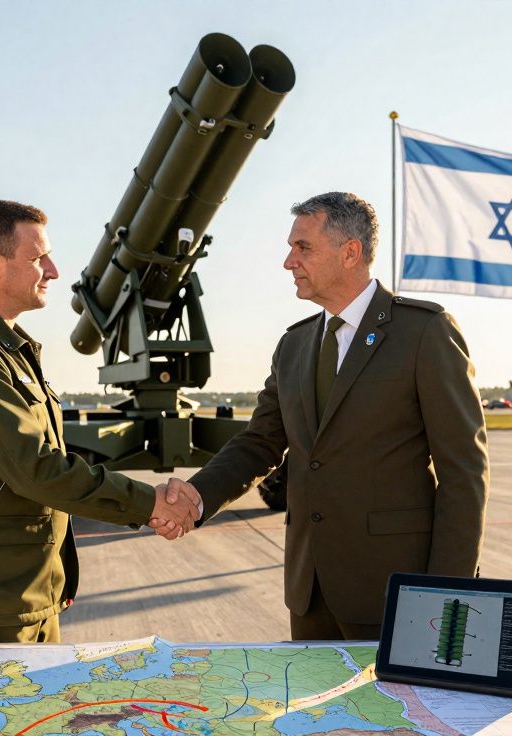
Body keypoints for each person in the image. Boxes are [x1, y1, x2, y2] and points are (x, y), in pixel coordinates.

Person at [164, 192, 489, 641]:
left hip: (395, 591)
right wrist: (196, 497)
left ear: (350, 252)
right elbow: (260, 443)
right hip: (309, 590)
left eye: (304, 247)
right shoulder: (295, 345)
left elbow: (464, 472)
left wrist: (446, 595)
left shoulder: (422, 332)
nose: (288, 262)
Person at [0, 199, 200, 644]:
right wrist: (148, 503)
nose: (54, 270)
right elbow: (36, 468)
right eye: (38, 257)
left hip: (27, 592)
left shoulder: (6, 349)